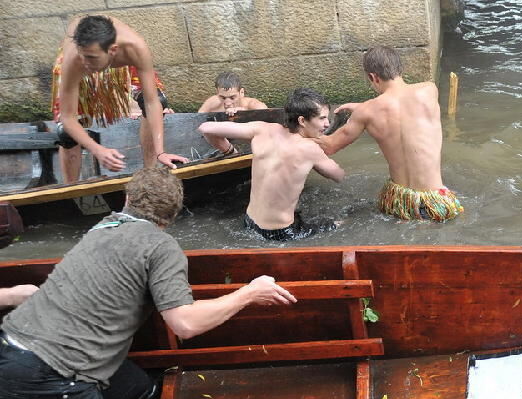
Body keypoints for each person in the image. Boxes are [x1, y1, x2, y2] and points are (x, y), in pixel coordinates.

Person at [0, 167, 297, 399]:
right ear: (172, 215)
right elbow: (185, 324)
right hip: (52, 377)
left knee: (144, 393)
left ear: (126, 201)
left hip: (11, 346)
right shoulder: (162, 247)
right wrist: (249, 293)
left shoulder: (102, 227)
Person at [314, 46, 463, 222]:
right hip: (436, 203)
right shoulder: (429, 90)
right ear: (400, 68)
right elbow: (401, 106)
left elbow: (329, 146)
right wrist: (363, 107)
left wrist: (297, 132)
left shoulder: (366, 112)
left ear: (372, 77)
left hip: (399, 204)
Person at [52, 15, 188, 182]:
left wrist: (161, 151)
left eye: (91, 58)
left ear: (113, 50)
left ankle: (151, 176)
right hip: (79, 64)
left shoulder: (135, 48)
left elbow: (152, 102)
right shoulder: (75, 60)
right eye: (83, 56)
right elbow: (68, 118)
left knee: (158, 101)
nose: (85, 62)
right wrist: (97, 150)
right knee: (66, 133)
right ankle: (71, 190)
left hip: (116, 61)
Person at [198, 88, 346, 241]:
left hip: (249, 223)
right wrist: (325, 151)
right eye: (322, 118)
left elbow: (206, 128)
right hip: (281, 233)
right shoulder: (310, 149)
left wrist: (230, 151)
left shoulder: (262, 129)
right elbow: (339, 176)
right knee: (343, 223)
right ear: (302, 121)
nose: (327, 124)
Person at [197, 71, 268, 116]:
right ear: (217, 93)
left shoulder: (252, 105)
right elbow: (197, 120)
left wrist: (244, 112)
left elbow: (268, 115)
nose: (227, 103)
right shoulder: (213, 103)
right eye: (223, 97)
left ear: (241, 93)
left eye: (232, 98)